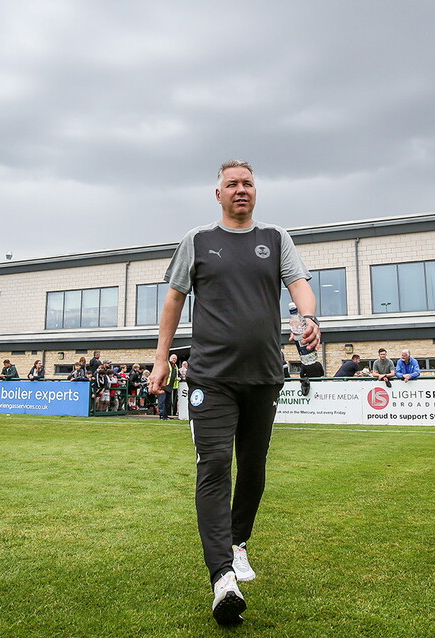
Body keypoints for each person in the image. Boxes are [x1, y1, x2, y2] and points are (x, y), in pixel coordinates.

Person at [148, 160, 319, 625]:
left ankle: (238, 542)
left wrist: (310, 319)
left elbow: (300, 286)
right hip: (210, 377)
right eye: (232, 184)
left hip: (264, 375)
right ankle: (222, 577)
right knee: (215, 464)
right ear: (217, 193)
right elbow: (173, 300)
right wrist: (162, 359)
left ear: (255, 191)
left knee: (254, 466)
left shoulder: (276, 239)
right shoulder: (198, 241)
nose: (241, 190)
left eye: (247, 183)